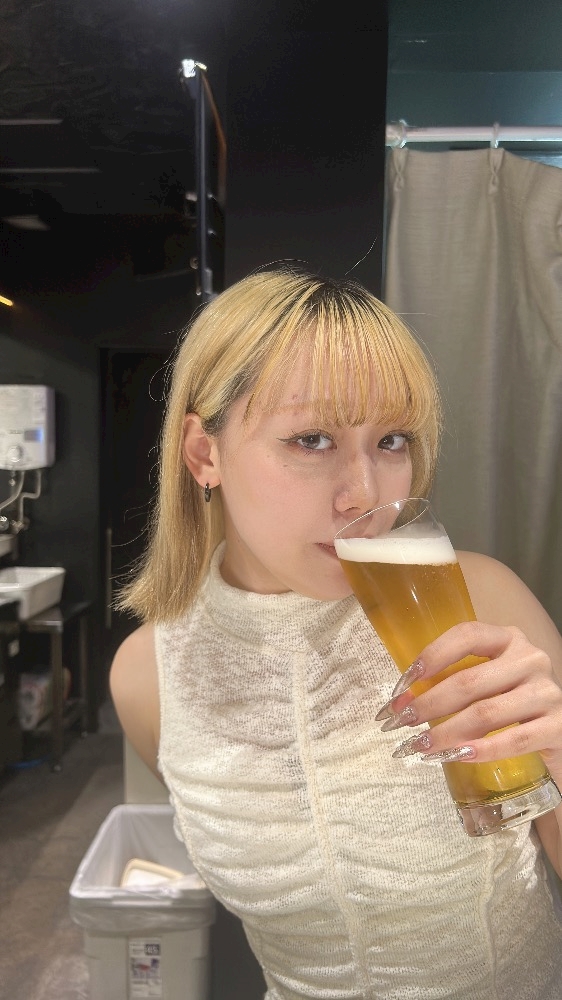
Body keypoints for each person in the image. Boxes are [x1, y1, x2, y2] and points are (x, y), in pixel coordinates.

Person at [110, 267, 562, 1000]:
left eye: (392, 440)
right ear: (204, 454)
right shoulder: (147, 676)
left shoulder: (478, 605)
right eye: (312, 439)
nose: (366, 495)